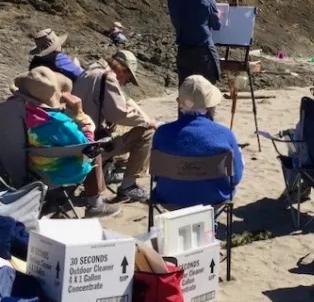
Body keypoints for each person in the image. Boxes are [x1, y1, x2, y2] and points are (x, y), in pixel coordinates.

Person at [73, 50, 157, 203]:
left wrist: (140, 114)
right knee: (146, 133)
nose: (124, 83)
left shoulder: (92, 71)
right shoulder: (107, 78)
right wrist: (146, 122)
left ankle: (107, 171)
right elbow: (118, 114)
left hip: (76, 143)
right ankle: (128, 186)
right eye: (128, 78)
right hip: (92, 147)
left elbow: (123, 100)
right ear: (123, 70)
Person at [151, 76, 244, 207]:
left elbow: (156, 176)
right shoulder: (225, 134)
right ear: (209, 104)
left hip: (169, 199)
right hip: (214, 201)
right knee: (237, 154)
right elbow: (236, 178)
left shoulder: (161, 133)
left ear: (179, 102)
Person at [11, 67, 96, 187]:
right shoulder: (57, 122)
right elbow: (88, 148)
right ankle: (94, 199)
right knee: (97, 151)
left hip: (20, 165)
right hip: (53, 173)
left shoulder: (10, 110)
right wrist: (81, 116)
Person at [167, 0, 221, 86]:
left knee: (185, 89)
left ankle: (183, 106)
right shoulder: (207, 0)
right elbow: (216, 26)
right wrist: (217, 16)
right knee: (207, 91)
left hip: (184, 50)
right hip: (203, 50)